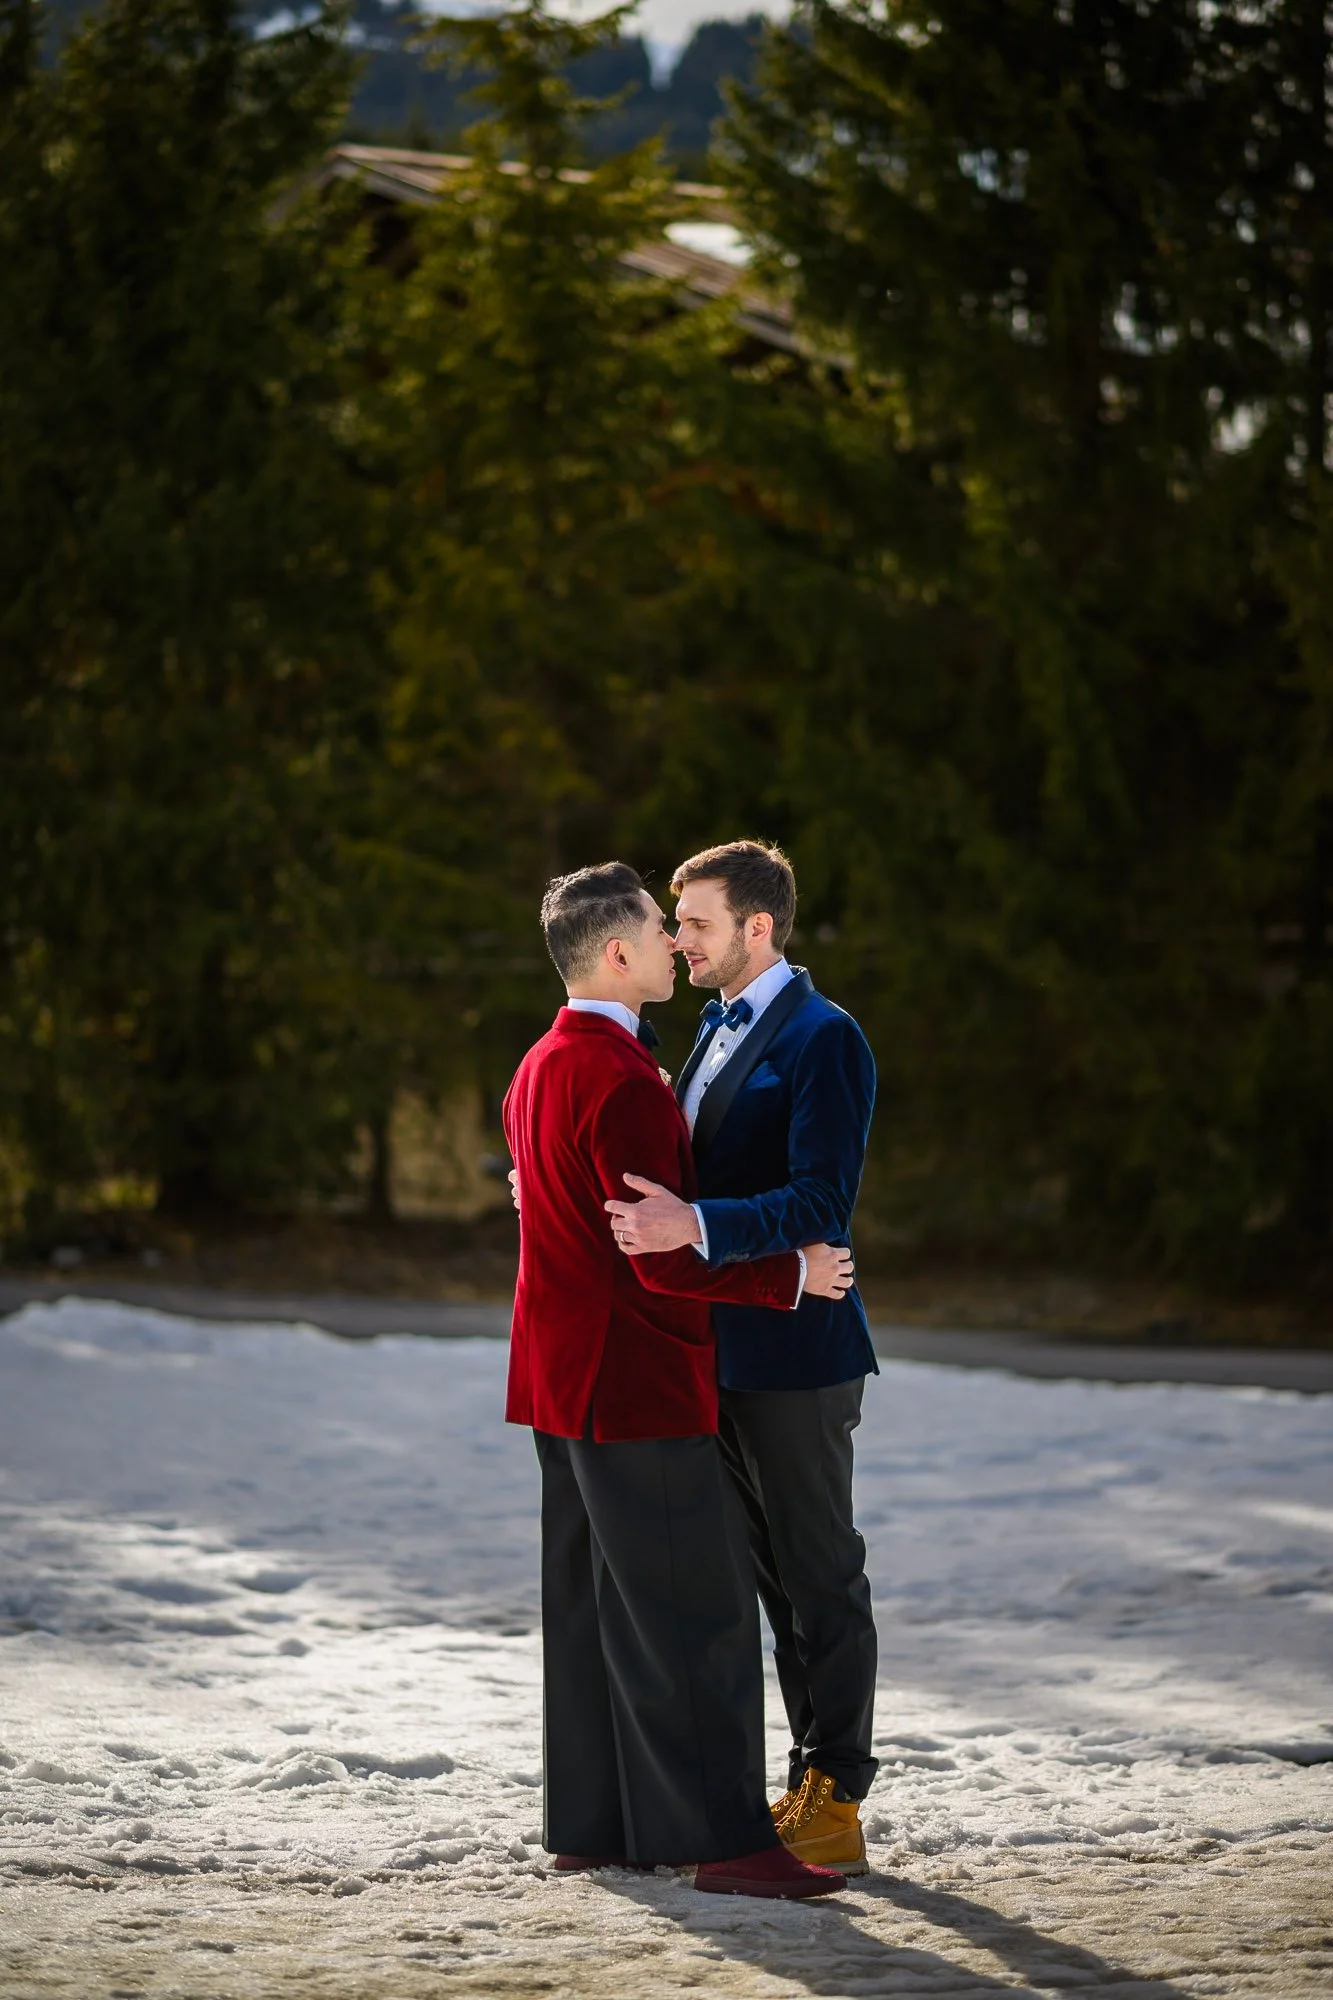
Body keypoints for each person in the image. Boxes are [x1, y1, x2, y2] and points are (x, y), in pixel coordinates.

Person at [503, 860, 853, 1898]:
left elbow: (548, 1198)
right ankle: (727, 1843)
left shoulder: (539, 1062)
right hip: (637, 1382)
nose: (673, 942)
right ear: (617, 952)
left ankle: (596, 1824)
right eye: (660, 927)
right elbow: (659, 1253)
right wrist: (792, 1273)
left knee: (593, 1608)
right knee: (692, 1612)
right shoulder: (621, 1079)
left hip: (556, 1381)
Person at [605, 840, 879, 1877]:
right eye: (677, 922)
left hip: (802, 1352)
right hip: (721, 1348)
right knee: (772, 1582)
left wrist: (697, 1224)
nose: (678, 939)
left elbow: (821, 1202)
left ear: (759, 927)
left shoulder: (824, 1036)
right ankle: (806, 1772)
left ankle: (839, 1792)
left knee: (822, 1574)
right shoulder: (710, 1029)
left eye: (698, 923)